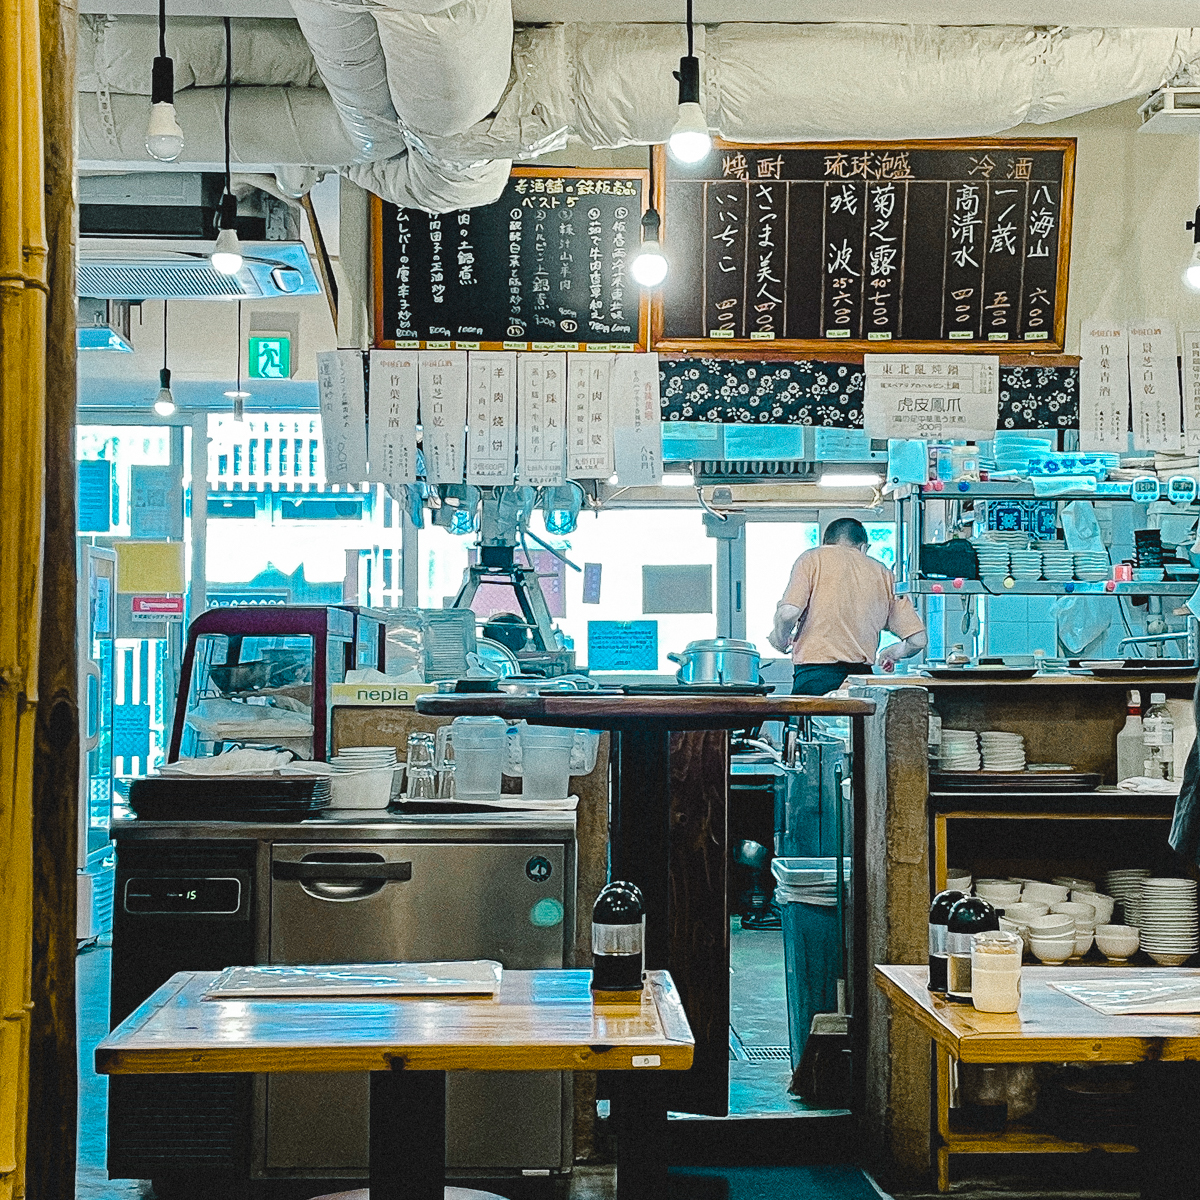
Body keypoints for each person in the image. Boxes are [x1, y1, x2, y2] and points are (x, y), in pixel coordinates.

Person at [768, 517, 928, 695]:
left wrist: (780, 639)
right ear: (863, 547)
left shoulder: (812, 559)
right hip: (860, 682)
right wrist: (893, 652)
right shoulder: (884, 573)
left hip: (815, 678)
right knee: (858, 723)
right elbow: (918, 640)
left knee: (811, 723)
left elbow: (788, 613)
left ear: (825, 543)